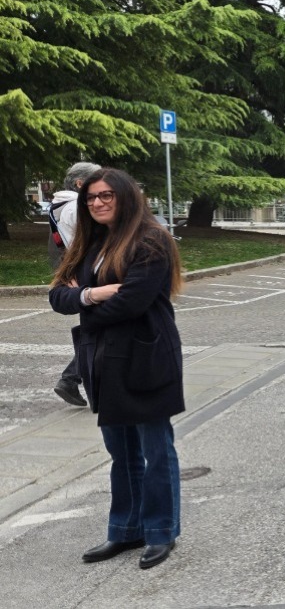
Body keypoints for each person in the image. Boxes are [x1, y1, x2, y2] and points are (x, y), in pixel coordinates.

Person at [48, 168, 185, 570]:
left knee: (155, 451)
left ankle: (161, 532)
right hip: (103, 360)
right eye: (91, 198)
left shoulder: (151, 241)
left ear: (126, 197)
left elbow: (132, 302)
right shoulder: (91, 242)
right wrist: (90, 294)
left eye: (106, 195)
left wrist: (83, 304)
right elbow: (57, 295)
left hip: (146, 356)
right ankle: (126, 530)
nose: (98, 203)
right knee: (120, 453)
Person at [48, 161, 102, 406]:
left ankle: (71, 379)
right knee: (97, 328)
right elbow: (95, 240)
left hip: (83, 271)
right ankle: (70, 379)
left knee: (96, 327)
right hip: (90, 273)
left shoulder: (63, 205)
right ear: (81, 183)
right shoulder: (75, 208)